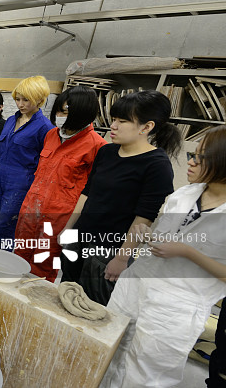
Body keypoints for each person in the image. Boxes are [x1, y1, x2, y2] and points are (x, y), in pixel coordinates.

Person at [100, 125, 226, 388]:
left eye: (200, 158)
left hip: (177, 304)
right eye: (194, 154)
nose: (190, 162)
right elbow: (165, 234)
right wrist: (145, 233)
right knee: (109, 351)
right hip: (137, 283)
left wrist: (186, 252)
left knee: (145, 375)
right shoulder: (184, 195)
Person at [60, 90, 180, 305]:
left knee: (90, 306)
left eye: (122, 121)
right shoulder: (107, 152)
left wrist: (121, 258)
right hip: (80, 239)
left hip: (108, 250)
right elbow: (87, 193)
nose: (113, 126)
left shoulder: (157, 165)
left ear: (147, 127)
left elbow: (143, 218)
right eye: (114, 119)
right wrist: (69, 229)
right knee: (66, 294)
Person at [12, 86, 106, 282]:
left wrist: (71, 227)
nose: (59, 116)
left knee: (43, 266)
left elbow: (91, 193)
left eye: (65, 112)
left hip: (59, 218)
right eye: (58, 110)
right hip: (31, 209)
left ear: (82, 113)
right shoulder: (51, 135)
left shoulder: (97, 146)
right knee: (18, 258)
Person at [0, 76, 53, 249]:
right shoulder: (10, 121)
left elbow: (46, 163)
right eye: (18, 99)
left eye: (26, 100)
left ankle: (0, 263)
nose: (20, 104)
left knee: (6, 224)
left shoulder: (45, 127)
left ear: (39, 99)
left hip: (20, 182)